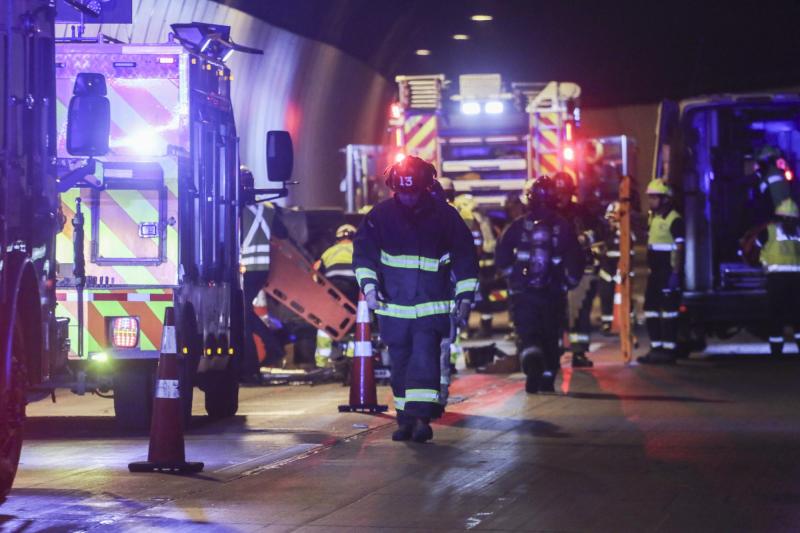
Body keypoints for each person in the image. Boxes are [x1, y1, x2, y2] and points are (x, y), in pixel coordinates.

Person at [353, 156, 479, 443]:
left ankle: (422, 419)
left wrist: (465, 298)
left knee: (424, 359)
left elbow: (465, 257)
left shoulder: (445, 216)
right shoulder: (379, 217)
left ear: (425, 187)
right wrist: (370, 287)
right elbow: (363, 255)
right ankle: (405, 420)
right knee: (399, 363)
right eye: (403, 192)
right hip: (393, 309)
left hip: (431, 307)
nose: (408, 198)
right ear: (394, 187)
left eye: (413, 192)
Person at [496, 176, 584, 393]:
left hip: (523, 292)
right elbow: (575, 257)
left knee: (527, 332)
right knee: (550, 334)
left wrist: (512, 275)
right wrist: (569, 282)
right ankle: (547, 376)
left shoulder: (519, 226)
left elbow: (502, 251)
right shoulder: (563, 227)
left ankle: (531, 361)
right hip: (552, 292)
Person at [239, 166, 289, 383]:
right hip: (262, 270)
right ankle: (271, 350)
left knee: (242, 315)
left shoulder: (234, 209)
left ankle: (262, 356)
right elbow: (283, 234)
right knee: (244, 313)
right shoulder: (268, 209)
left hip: (244, 270)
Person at [552, 172, 606, 368]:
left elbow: (599, 231)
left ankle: (579, 351)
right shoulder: (547, 214)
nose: (560, 197)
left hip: (580, 269)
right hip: (554, 270)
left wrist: (584, 239)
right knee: (555, 312)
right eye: (557, 193)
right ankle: (553, 351)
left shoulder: (581, 212)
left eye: (564, 193)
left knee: (579, 312)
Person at [637, 178, 685, 364]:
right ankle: (656, 349)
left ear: (665, 199)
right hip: (655, 272)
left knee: (669, 312)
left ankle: (668, 351)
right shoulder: (653, 217)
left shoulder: (675, 220)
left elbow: (680, 249)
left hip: (668, 271)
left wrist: (675, 274)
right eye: (650, 198)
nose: (651, 202)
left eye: (655, 198)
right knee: (650, 309)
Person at [755, 198, 800, 356]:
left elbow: (757, 245)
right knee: (796, 314)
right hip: (795, 278)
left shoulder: (770, 230)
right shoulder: (797, 231)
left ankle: (776, 350)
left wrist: (763, 261)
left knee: (776, 314)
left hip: (776, 278)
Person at [313, 224, 358, 368]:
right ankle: (353, 358)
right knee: (357, 320)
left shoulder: (328, 252)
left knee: (327, 322)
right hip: (354, 288)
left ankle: (321, 363)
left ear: (338, 239)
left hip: (333, 288)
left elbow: (315, 274)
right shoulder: (360, 249)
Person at [597, 201, 635, 334]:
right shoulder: (607, 233)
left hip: (621, 274)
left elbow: (629, 255)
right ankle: (607, 322)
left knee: (626, 298)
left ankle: (627, 322)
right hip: (607, 274)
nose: (610, 223)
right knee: (605, 296)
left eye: (613, 219)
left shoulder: (627, 234)